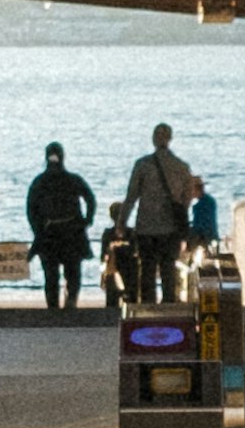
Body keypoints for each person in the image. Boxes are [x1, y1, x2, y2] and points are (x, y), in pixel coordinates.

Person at [115, 121, 201, 312]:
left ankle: (148, 309)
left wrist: (121, 222)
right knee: (168, 269)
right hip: (171, 228)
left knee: (147, 271)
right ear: (170, 139)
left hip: (147, 227)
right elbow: (186, 200)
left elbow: (131, 196)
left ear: (154, 139)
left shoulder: (143, 165)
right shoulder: (182, 167)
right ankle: (169, 307)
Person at [23, 139, 97, 313]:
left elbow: (30, 210)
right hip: (71, 232)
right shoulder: (73, 180)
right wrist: (87, 220)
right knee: (71, 272)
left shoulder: (39, 182)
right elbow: (90, 199)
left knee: (52, 274)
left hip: (50, 233)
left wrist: (38, 230)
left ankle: (54, 308)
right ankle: (69, 303)